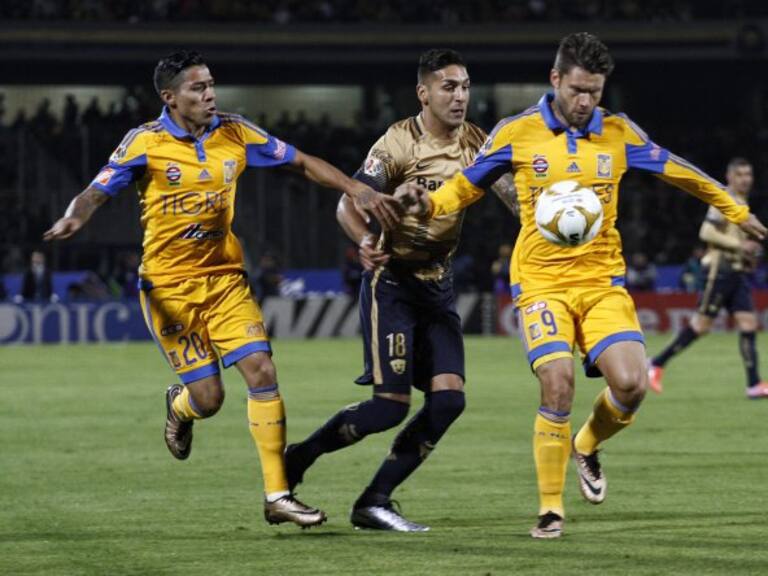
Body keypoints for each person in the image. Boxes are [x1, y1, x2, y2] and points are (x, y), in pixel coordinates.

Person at [399, 33, 767, 538]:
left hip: (600, 283)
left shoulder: (618, 133)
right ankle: (550, 509)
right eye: (576, 90)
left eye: (594, 91)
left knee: (632, 385)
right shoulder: (517, 132)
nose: (585, 101)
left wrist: (736, 210)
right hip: (541, 284)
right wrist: (427, 203)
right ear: (555, 79)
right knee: (558, 382)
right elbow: (465, 187)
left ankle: (587, 444)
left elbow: (679, 172)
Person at [43, 50, 401, 528]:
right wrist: (74, 217)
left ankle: (278, 495)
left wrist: (355, 189)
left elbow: (300, 162)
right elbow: (95, 191)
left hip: (225, 279)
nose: (210, 94)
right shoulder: (144, 142)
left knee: (261, 369)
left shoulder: (235, 131)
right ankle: (180, 406)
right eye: (198, 88)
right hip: (169, 289)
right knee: (209, 399)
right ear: (170, 98)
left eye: (211, 84)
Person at [283, 48, 517, 532]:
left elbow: (514, 197)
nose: (460, 96)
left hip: (438, 287)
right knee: (389, 408)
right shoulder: (397, 143)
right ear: (423, 93)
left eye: (465, 86)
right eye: (449, 87)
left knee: (449, 401)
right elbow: (349, 204)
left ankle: (374, 500)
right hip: (393, 285)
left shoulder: (478, 142)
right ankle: (301, 455)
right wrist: (365, 241)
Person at [649, 158, 767, 397]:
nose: (745, 179)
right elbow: (707, 232)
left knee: (748, 323)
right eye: (740, 174)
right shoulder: (724, 199)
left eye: (748, 174)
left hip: (735, 272)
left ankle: (754, 384)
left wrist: (745, 254)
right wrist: (739, 246)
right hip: (718, 272)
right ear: (729, 177)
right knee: (701, 326)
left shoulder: (741, 201)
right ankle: (655, 363)